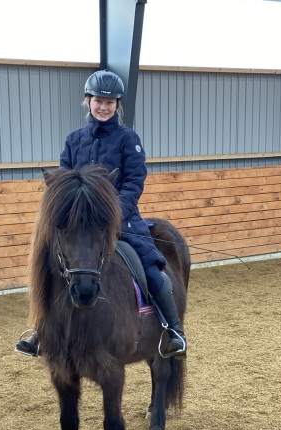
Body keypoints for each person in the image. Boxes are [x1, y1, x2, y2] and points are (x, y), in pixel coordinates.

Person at [15, 69, 187, 358]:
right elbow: (64, 182)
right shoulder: (73, 140)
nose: (104, 107)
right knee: (47, 265)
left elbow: (134, 180)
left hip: (123, 220)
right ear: (88, 101)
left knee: (152, 270)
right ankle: (40, 330)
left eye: (110, 102)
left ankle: (173, 331)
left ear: (118, 105)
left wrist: (114, 212)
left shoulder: (127, 138)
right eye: (98, 101)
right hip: (81, 226)